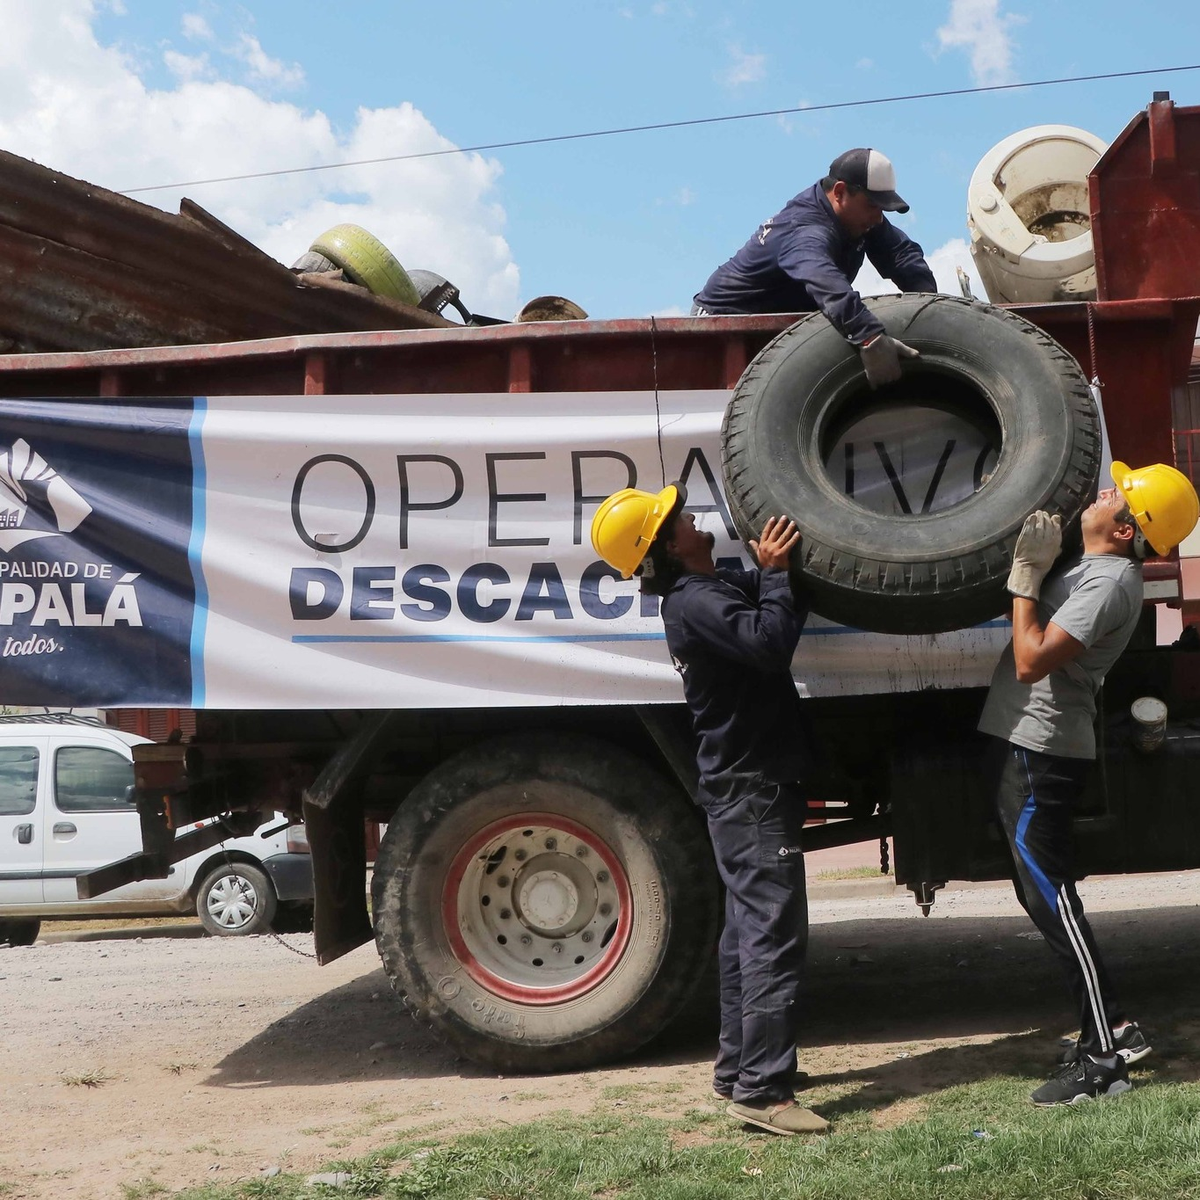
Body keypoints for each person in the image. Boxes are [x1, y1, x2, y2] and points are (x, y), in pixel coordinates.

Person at [590, 482, 826, 1136]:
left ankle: (736, 1070)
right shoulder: (696, 603)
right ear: (667, 544)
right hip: (750, 787)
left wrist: (778, 573)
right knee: (772, 935)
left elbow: (763, 612)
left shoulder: (707, 591)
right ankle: (764, 1092)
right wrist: (777, 577)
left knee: (744, 934)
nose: (693, 518)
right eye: (679, 518)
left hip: (743, 785)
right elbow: (769, 642)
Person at [978, 462, 1200, 1106]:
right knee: (1041, 896)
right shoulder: (1095, 568)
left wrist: (1026, 576)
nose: (1106, 490)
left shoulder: (1108, 584)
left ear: (1127, 529)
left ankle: (1107, 1054)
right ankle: (1110, 1030)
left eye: (1118, 494)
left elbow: (1030, 659)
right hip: (1024, 741)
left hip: (1039, 747)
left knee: (1054, 901)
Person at [692, 148, 938, 389]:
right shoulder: (805, 228)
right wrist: (870, 336)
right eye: (873, 206)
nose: (877, 218)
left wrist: (930, 308)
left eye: (883, 210)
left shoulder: (860, 217)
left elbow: (900, 254)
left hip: (783, 321)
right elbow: (824, 279)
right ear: (840, 192)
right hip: (721, 323)